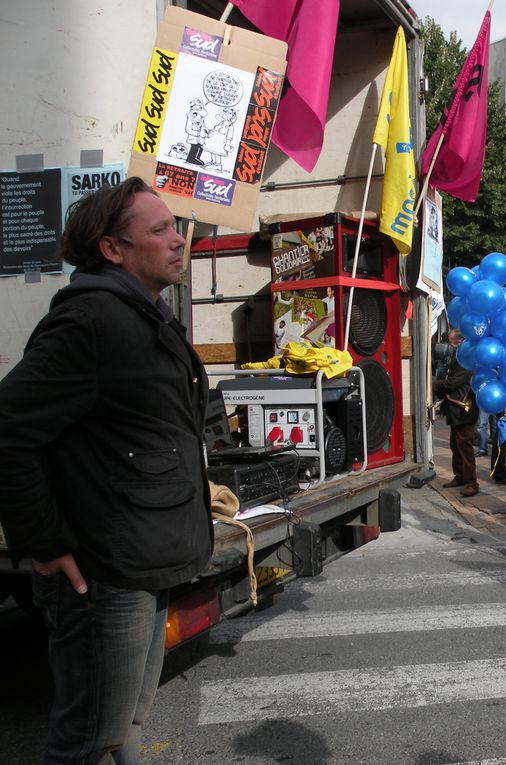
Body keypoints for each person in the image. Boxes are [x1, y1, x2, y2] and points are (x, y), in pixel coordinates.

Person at [0, 178, 213, 762]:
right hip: (103, 573)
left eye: (175, 226)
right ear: (112, 249)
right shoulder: (91, 322)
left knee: (125, 724)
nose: (178, 240)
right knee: (88, 739)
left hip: (142, 560)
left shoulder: (145, 315)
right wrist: (43, 540)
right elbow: (8, 432)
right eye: (159, 230)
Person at [433, 328, 480, 497]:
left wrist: (435, 385)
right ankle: (460, 476)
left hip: (464, 407)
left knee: (465, 446)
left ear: (461, 342)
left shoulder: (467, 359)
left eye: (453, 343)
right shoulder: (460, 356)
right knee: (455, 444)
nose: (450, 346)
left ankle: (471, 482)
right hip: (457, 407)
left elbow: (454, 382)